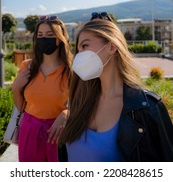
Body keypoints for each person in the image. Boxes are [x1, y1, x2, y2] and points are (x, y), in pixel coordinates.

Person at [58, 17, 173, 162]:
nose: (79, 55)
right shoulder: (80, 100)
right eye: (78, 49)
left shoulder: (146, 108)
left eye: (85, 46)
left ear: (112, 47)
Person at [12, 15, 73, 162]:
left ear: (60, 38)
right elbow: (21, 107)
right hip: (29, 130)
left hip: (57, 132)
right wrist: (15, 87)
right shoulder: (27, 67)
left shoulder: (71, 70)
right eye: (40, 35)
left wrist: (66, 113)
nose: (44, 39)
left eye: (50, 35)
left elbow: (80, 103)